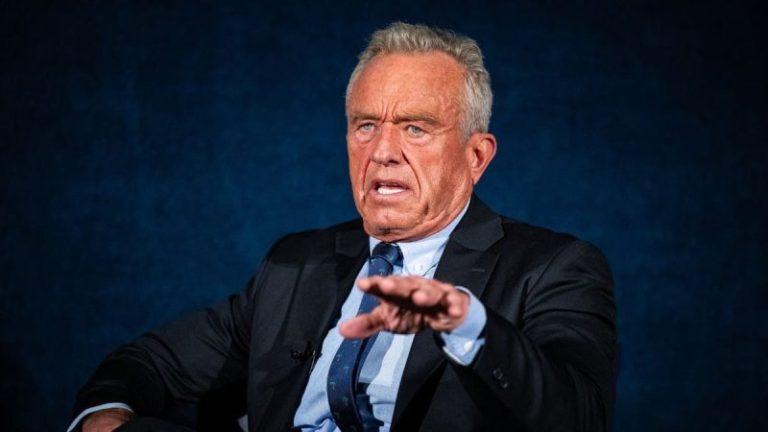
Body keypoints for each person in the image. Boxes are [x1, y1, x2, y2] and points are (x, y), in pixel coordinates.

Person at [70, 22, 617, 432]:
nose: (383, 151)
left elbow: (581, 415)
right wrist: (104, 416)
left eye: (416, 128)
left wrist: (466, 322)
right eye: (366, 125)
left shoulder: (553, 267)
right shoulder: (294, 264)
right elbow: (150, 363)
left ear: (476, 156)